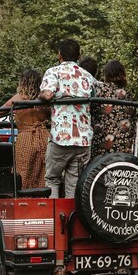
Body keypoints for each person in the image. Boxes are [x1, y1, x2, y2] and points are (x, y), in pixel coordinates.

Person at [0, 69, 50, 189]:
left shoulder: (19, 98)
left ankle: (23, 199)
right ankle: (42, 199)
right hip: (44, 138)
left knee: (22, 173)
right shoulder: (45, 100)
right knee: (42, 173)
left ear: (23, 82)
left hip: (26, 138)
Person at [38, 39, 95, 198]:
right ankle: (72, 220)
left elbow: (48, 94)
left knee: (52, 178)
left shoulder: (53, 72)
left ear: (59, 55)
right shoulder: (87, 76)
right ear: (79, 56)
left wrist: (41, 95)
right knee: (74, 183)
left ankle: (54, 219)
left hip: (60, 137)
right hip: (83, 140)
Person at [91, 60, 136, 156]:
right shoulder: (128, 95)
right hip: (124, 149)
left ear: (106, 74)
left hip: (101, 150)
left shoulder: (100, 90)